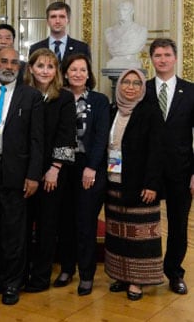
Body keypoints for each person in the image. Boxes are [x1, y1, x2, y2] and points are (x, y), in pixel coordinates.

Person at [0, 46, 43, 306]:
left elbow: (37, 140)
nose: (9, 67)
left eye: (14, 62)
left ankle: (13, 282)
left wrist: (34, 175)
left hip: (15, 171)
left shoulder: (31, 96)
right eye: (4, 61)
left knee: (14, 231)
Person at [105, 69, 164, 300]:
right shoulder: (113, 110)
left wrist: (152, 184)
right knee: (118, 233)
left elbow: (157, 151)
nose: (130, 87)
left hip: (140, 186)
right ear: (119, 85)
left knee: (140, 237)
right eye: (126, 82)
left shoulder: (149, 112)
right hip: (114, 182)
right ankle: (121, 275)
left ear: (142, 88)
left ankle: (137, 281)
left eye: (136, 83)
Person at [22, 49, 76, 293]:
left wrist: (54, 168)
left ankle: (41, 278)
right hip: (25, 170)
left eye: (50, 66)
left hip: (53, 172)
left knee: (47, 226)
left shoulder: (64, 98)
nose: (45, 70)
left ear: (56, 72)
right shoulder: (22, 94)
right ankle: (20, 274)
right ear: (31, 68)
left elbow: (67, 136)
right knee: (22, 225)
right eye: (40, 65)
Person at [55, 53, 110, 295]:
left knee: (86, 222)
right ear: (65, 72)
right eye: (73, 69)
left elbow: (101, 137)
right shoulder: (58, 98)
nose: (78, 73)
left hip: (90, 166)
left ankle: (86, 274)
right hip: (63, 166)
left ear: (89, 74)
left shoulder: (99, 100)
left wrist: (92, 167)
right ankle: (67, 268)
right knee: (64, 220)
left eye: (83, 70)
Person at [143, 38, 194, 295]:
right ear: (151, 59)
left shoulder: (191, 91)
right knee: (142, 224)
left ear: (175, 58)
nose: (162, 59)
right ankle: (141, 272)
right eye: (157, 55)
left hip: (181, 171)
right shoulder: (142, 89)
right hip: (147, 172)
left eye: (166, 55)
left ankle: (174, 272)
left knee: (177, 225)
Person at [104, 1, 148, 68]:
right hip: (114, 63)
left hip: (131, 61)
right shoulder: (109, 32)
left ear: (132, 11)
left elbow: (135, 47)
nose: (121, 12)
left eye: (125, 10)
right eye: (119, 10)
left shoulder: (141, 31)